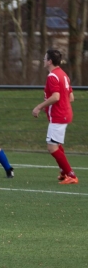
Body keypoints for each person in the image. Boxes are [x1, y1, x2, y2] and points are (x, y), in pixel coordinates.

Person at [32, 49, 78, 184]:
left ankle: (71, 175)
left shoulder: (52, 76)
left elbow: (56, 96)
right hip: (64, 113)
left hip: (59, 116)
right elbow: (71, 97)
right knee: (56, 144)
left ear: (50, 61)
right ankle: (64, 172)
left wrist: (39, 107)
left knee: (51, 147)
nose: (43, 60)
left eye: (45, 58)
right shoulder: (64, 75)